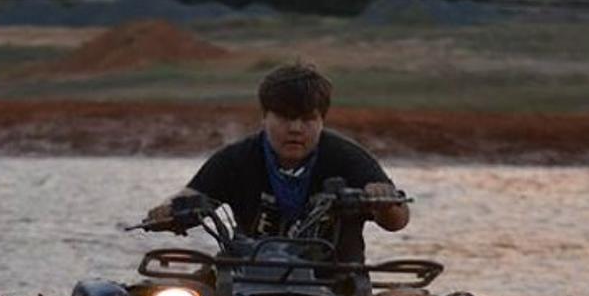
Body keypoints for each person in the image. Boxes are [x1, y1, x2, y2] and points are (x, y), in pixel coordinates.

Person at [147, 62, 409, 260]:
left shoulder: (349, 158)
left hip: (335, 281)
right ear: (265, 117)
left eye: (307, 119)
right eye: (284, 117)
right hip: (247, 276)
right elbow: (189, 195)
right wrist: (167, 211)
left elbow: (398, 221)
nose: (295, 128)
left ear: (322, 120)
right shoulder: (236, 159)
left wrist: (383, 201)